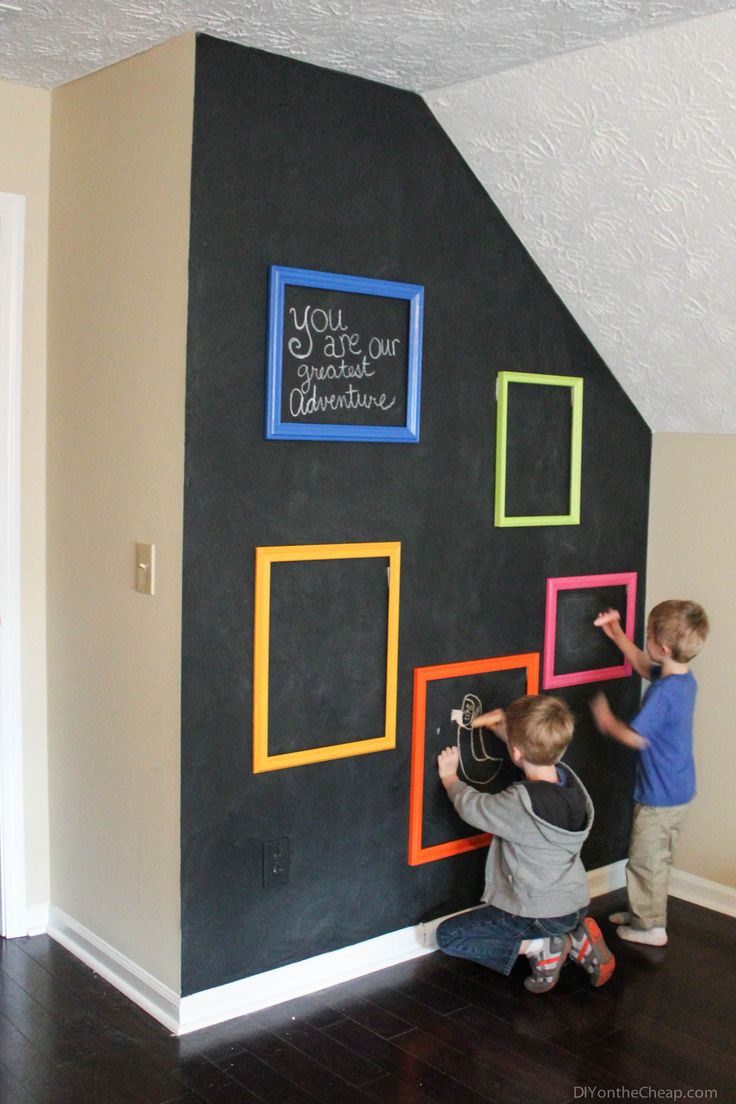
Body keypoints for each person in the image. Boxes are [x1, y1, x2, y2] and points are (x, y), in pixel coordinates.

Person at [435, 694, 615, 994]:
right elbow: (535, 758)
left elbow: (475, 808)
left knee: (449, 937)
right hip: (573, 904)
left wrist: (449, 777)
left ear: (516, 752)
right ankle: (575, 939)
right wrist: (507, 732)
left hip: (538, 914)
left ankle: (543, 947)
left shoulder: (521, 804)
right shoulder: (570, 784)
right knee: (548, 924)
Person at [590, 599, 709, 947]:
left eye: (647, 636)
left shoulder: (663, 694)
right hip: (678, 788)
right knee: (655, 857)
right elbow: (645, 666)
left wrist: (606, 721)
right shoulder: (682, 680)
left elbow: (636, 738)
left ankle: (650, 927)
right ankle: (646, 910)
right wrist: (618, 635)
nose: (645, 641)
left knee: (645, 860)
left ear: (664, 647)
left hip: (659, 794)